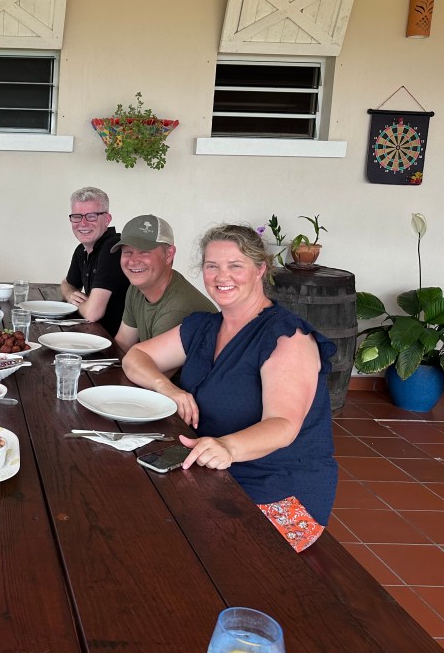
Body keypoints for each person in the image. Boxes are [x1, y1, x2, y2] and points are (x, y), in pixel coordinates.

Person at [122, 224, 337, 552]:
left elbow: (283, 425)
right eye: (212, 266)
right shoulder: (203, 326)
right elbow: (135, 357)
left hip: (277, 487)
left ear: (260, 269)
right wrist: (168, 388)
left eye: (235, 265)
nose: (222, 277)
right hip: (211, 469)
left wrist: (228, 448)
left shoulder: (286, 336)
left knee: (173, 546)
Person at [112, 214, 215, 353]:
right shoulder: (136, 289)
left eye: (144, 252)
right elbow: (123, 344)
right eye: (127, 252)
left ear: (168, 255)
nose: (133, 261)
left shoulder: (178, 308)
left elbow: (151, 363)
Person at [59, 186, 129, 336]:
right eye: (77, 216)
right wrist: (71, 294)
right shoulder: (82, 250)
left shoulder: (113, 248)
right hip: (95, 334)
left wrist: (77, 303)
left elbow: (92, 314)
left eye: (91, 216)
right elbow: (66, 284)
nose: (83, 223)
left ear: (107, 219)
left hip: (115, 343)